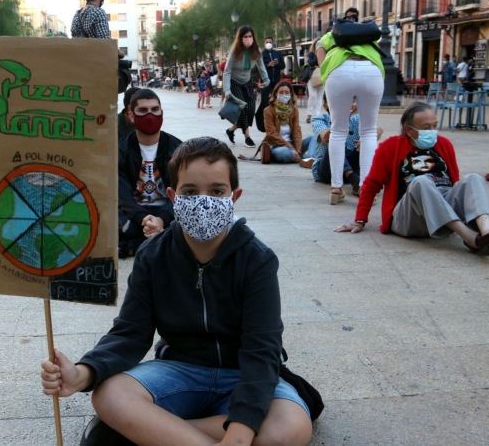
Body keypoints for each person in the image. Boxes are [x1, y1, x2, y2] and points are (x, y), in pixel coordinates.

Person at [42, 136, 320, 446]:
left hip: (241, 376)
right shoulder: (153, 256)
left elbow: (261, 349)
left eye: (217, 191)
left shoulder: (257, 259)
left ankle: (157, 431)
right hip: (178, 372)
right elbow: (130, 333)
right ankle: (164, 430)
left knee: (292, 426)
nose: (204, 201)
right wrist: (83, 373)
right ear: (173, 196)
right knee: (110, 394)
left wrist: (240, 435)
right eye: (190, 192)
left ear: (234, 196)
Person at [336, 103, 489, 256]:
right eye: (426, 128)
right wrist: (360, 219)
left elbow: (455, 180)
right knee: (421, 182)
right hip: (410, 215)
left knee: (473, 178)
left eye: (434, 126)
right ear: (408, 130)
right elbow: (371, 185)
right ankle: (470, 238)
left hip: (444, 204)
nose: (432, 131)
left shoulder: (444, 144)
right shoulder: (390, 147)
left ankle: (487, 231)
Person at [316, 7, 384, 204]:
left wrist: (323, 69)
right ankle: (365, 188)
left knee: (338, 130)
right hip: (371, 69)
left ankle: (336, 189)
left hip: (338, 70)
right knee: (369, 131)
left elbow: (320, 45)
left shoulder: (334, 34)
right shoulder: (368, 36)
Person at [117, 89, 182, 257]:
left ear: (162, 113)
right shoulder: (119, 150)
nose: (150, 115)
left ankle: (137, 244)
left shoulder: (179, 149)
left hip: (169, 211)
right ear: (132, 115)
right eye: (143, 111)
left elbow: (183, 192)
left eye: (155, 110)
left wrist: (162, 219)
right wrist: (144, 219)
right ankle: (161, 239)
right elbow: (121, 195)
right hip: (133, 214)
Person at [223, 25, 270, 148]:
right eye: (245, 37)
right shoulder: (235, 51)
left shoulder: (256, 51)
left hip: (247, 82)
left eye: (250, 36)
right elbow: (227, 71)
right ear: (240, 38)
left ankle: (231, 130)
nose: (248, 39)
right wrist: (227, 90)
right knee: (242, 110)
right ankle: (247, 138)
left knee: (250, 110)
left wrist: (266, 80)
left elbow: (261, 66)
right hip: (234, 82)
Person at [311, 97, 362, 199]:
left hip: (353, 164)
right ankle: (354, 179)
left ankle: (357, 179)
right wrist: (342, 119)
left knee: (367, 142)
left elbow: (378, 130)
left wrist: (364, 140)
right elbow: (325, 138)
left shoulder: (357, 119)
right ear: (326, 105)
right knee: (333, 141)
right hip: (327, 170)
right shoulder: (320, 119)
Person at [259, 81, 302, 163]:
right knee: (285, 153)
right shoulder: (268, 111)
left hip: (292, 144)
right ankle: (297, 156)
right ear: (275, 94)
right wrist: (291, 148)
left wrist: (298, 151)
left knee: (313, 139)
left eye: (287, 92)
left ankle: (306, 159)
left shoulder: (294, 110)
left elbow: (297, 131)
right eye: (281, 92)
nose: (284, 95)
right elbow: (271, 133)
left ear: (291, 94)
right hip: (276, 145)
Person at [255, 36, 286, 133]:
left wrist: (277, 64)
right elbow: (257, 68)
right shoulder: (261, 54)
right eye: (267, 42)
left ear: (273, 43)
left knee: (276, 100)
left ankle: (276, 120)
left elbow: (283, 65)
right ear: (264, 43)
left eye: (270, 42)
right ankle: (264, 120)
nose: (269, 43)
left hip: (276, 80)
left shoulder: (277, 53)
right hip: (265, 81)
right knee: (265, 100)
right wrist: (268, 65)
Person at [305, 45, 323, 124]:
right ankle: (309, 115)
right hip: (312, 77)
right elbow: (311, 63)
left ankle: (317, 115)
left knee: (320, 97)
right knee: (312, 96)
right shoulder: (311, 54)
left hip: (322, 76)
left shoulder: (326, 52)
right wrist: (317, 54)